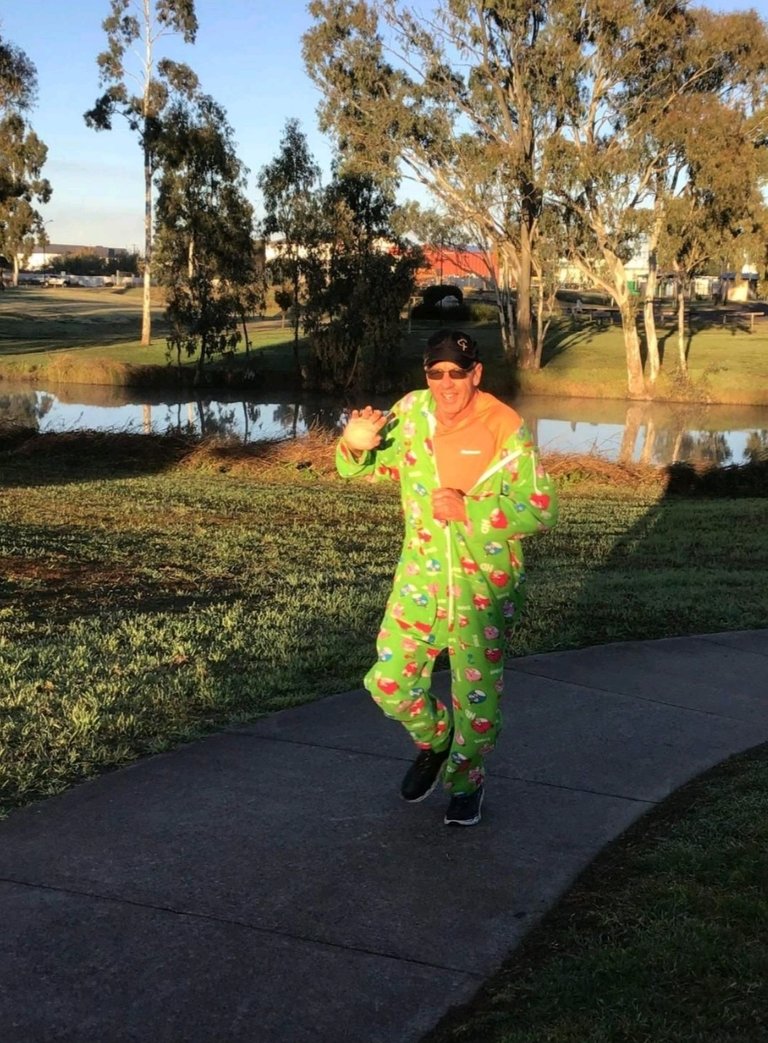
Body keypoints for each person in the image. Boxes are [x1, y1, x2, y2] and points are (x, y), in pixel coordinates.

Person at [337, 329, 558, 827]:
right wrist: (353, 447)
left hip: (484, 584)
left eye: (457, 373)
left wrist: (471, 509)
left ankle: (466, 782)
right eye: (435, 373)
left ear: (475, 374)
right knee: (389, 683)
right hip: (421, 576)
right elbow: (364, 462)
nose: (446, 383)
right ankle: (436, 740)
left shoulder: (504, 425)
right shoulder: (411, 413)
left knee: (477, 712)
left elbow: (542, 510)